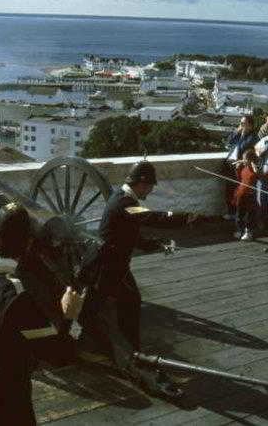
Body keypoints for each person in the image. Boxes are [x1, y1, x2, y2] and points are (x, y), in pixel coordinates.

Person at [0, 202, 84, 425]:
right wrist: (68, 315)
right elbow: (59, 354)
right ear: (29, 244)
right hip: (7, 393)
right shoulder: (17, 297)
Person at [79, 160, 207, 398]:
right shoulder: (124, 203)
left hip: (111, 264)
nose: (151, 190)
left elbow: (132, 235)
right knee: (122, 303)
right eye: (149, 186)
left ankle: (100, 346)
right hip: (107, 265)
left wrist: (157, 244)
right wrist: (186, 218)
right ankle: (127, 353)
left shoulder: (125, 200)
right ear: (140, 184)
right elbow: (153, 218)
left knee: (102, 304)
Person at [232, 148, 259, 241]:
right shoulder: (244, 168)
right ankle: (240, 230)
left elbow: (257, 177)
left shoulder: (254, 169)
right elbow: (240, 178)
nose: (243, 160)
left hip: (250, 195)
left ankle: (249, 232)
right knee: (239, 214)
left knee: (249, 215)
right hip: (241, 194)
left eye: (245, 159)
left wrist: (255, 168)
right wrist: (237, 169)